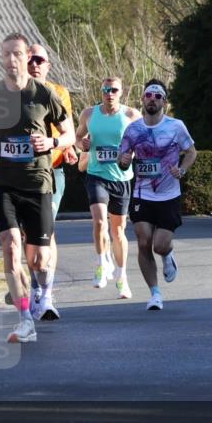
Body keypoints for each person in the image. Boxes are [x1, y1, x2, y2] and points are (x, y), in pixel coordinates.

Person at [0, 32, 75, 343]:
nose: (10, 60)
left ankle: (42, 287)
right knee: (11, 247)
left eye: (16, 53)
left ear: (27, 57)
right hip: (4, 184)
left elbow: (69, 135)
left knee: (39, 260)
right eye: (5, 55)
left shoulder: (44, 94)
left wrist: (52, 141)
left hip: (38, 183)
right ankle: (25, 320)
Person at [118, 79, 197, 311]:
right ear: (142, 100)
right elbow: (123, 159)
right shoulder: (133, 129)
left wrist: (181, 170)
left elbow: (191, 151)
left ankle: (167, 255)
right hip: (142, 194)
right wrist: (123, 162)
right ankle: (155, 293)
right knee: (143, 241)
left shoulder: (176, 126)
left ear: (164, 102)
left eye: (157, 96)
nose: (152, 99)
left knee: (159, 246)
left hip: (168, 195)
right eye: (148, 96)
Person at [25, 44, 78, 320]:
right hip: (20, 173)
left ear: (48, 65)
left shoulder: (60, 94)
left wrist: (63, 146)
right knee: (27, 235)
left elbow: (65, 130)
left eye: (40, 60)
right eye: (30, 59)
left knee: (46, 231)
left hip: (51, 172)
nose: (34, 64)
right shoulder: (11, 94)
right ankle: (35, 287)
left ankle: (45, 294)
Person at [76, 77, 140, 299]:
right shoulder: (89, 114)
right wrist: (81, 144)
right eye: (105, 89)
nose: (109, 93)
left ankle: (122, 278)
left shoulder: (131, 115)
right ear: (101, 91)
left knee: (118, 231)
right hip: (96, 175)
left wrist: (130, 153)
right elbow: (77, 137)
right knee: (99, 221)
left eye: (113, 90)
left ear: (121, 92)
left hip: (121, 179)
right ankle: (102, 263)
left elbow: (142, 142)